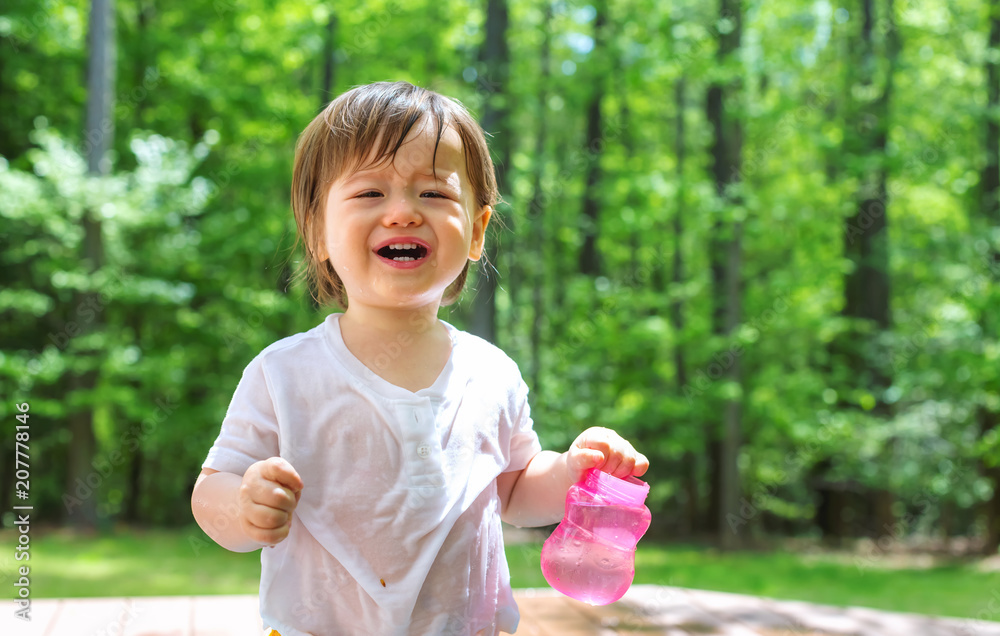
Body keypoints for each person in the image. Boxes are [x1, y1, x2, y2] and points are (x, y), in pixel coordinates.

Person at [190, 80, 649, 636]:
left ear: (477, 230)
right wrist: (242, 505)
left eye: (433, 193)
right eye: (369, 194)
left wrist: (573, 470)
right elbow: (210, 492)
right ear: (317, 231)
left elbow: (516, 490)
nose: (403, 213)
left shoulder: (491, 374)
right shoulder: (285, 373)